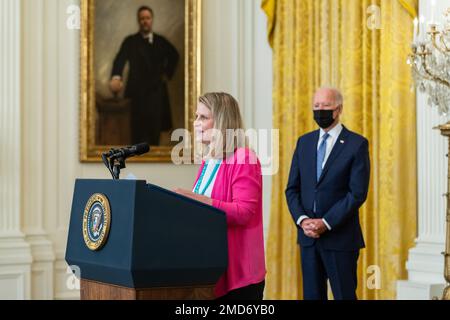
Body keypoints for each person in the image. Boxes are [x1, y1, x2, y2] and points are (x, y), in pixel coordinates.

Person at [175, 92, 266, 300]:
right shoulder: (210, 159)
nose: (195, 122)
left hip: (239, 274)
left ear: (223, 121)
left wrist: (196, 199)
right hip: (211, 267)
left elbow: (244, 212)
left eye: (203, 117)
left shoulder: (244, 157)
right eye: (196, 116)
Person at [285, 87, 370, 300]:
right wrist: (303, 220)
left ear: (338, 109)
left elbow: (357, 193)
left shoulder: (356, 144)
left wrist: (326, 222)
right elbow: (292, 189)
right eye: (316, 106)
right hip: (308, 239)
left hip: (340, 238)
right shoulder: (304, 142)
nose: (319, 110)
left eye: (325, 106)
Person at [110, 6, 179, 145]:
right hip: (136, 95)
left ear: (151, 20)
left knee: (154, 134)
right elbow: (120, 59)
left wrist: (166, 73)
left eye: (147, 18)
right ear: (138, 21)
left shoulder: (160, 41)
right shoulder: (130, 41)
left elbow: (174, 55)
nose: (145, 21)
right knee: (136, 134)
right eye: (142, 19)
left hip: (156, 95)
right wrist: (116, 77)